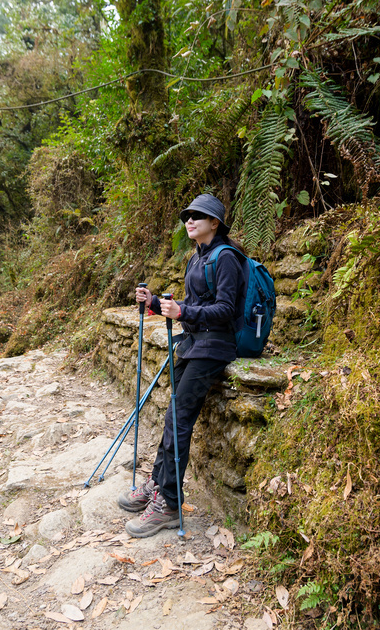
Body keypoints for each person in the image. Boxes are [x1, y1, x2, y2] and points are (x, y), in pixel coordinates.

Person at [118, 194, 246, 538]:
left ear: (215, 223)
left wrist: (183, 312)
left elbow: (225, 310)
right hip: (194, 345)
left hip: (216, 347)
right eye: (187, 216)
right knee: (173, 415)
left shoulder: (228, 258)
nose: (189, 221)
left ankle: (170, 504)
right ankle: (159, 484)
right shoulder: (197, 258)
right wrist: (156, 303)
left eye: (198, 216)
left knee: (178, 418)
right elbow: (191, 305)